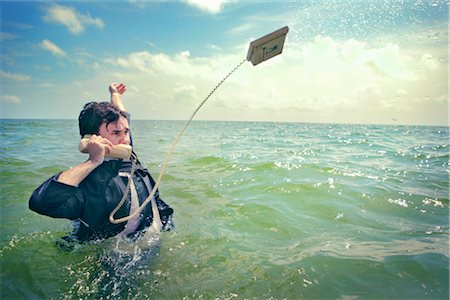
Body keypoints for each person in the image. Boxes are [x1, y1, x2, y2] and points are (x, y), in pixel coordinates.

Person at [29, 83, 173, 246]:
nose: (125, 139)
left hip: (146, 239)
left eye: (126, 131)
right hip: (109, 256)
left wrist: (115, 95)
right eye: (116, 133)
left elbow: (124, 117)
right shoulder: (88, 184)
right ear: (92, 138)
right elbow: (41, 203)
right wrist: (92, 161)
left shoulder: (129, 158)